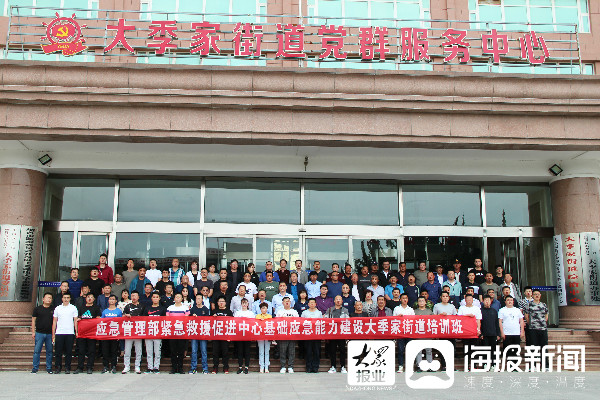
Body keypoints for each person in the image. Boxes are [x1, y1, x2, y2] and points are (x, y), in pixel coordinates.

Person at [52, 291, 78, 374]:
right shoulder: (58, 308)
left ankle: (67, 367)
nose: (66, 299)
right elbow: (54, 321)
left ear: (70, 299)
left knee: (69, 352)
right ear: (62, 299)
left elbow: (75, 321)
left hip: (70, 332)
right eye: (64, 298)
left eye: (68, 298)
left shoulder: (73, 308)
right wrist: (53, 333)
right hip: (59, 332)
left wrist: (76, 331)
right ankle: (58, 367)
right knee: (58, 352)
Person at [74, 292, 100, 374]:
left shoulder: (96, 308)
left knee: (91, 350)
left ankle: (90, 367)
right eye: (88, 297)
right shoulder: (81, 308)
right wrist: (77, 330)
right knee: (81, 350)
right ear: (86, 298)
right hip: (82, 332)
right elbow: (78, 318)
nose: (89, 298)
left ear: (94, 299)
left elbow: (98, 319)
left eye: (91, 297)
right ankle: (80, 367)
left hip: (92, 332)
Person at [165, 293, 190, 374]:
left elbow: (186, 319)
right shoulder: (170, 308)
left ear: (182, 298)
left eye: (179, 297)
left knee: (181, 351)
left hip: (182, 332)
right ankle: (174, 368)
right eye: (176, 297)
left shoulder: (185, 308)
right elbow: (167, 319)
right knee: (173, 351)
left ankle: (180, 368)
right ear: (174, 298)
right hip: (172, 332)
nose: (178, 298)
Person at [325, 295, 349, 374]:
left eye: (340, 299)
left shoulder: (345, 310)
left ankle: (343, 367)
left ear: (342, 301)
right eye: (337, 299)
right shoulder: (329, 310)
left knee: (342, 350)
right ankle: (333, 366)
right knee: (332, 350)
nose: (338, 301)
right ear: (334, 301)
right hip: (332, 333)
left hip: (341, 333)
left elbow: (347, 320)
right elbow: (326, 319)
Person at [31, 292, 54, 374]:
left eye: (50, 298)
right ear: (43, 299)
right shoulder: (37, 309)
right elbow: (33, 321)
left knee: (49, 351)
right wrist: (33, 332)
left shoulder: (54, 309)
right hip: (39, 333)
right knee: (37, 351)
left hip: (49, 334)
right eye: (47, 297)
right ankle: (35, 368)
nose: (49, 299)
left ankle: (49, 368)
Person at [122, 291, 145, 374]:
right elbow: (122, 316)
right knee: (127, 350)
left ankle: (137, 366)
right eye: (132, 296)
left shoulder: (142, 306)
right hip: (129, 330)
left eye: (135, 296)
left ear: (138, 297)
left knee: (138, 350)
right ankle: (126, 366)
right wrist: (125, 316)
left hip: (138, 330)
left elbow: (144, 318)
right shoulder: (127, 306)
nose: (133, 297)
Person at [142, 292, 165, 373]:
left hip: (158, 332)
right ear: (151, 298)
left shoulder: (162, 309)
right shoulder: (147, 308)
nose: (155, 299)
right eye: (154, 297)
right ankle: (149, 367)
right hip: (149, 332)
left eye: (157, 297)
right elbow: (144, 319)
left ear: (159, 298)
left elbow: (165, 321)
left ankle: (156, 367)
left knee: (157, 351)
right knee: (149, 351)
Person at [523, 289, 549, 360]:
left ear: (540, 295)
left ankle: (545, 364)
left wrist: (543, 323)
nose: (537, 295)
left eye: (538, 294)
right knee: (533, 347)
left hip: (543, 328)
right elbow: (526, 316)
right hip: (533, 329)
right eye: (535, 294)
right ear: (532, 296)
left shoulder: (543, 305)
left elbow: (546, 315)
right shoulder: (529, 305)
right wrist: (531, 323)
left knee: (544, 347)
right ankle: (533, 364)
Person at [276, 297, 299, 373]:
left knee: (291, 351)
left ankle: (290, 366)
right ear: (282, 303)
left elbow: (298, 322)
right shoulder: (280, 312)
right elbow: (276, 322)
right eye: (285, 301)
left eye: (288, 301)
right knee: (282, 351)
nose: (287, 302)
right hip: (283, 334)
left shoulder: (294, 312)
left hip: (292, 334)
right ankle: (283, 366)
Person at [458, 294, 482, 366]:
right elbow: (459, 318)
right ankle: (467, 364)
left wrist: (478, 329)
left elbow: (478, 320)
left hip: (474, 331)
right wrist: (468, 315)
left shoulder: (477, 308)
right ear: (465, 300)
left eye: (470, 299)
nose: (469, 301)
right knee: (466, 348)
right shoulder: (462, 308)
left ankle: (474, 364)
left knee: (474, 348)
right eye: (467, 299)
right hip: (465, 331)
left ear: (472, 300)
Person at [393, 293, 414, 373]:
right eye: (403, 298)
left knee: (409, 349)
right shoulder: (396, 309)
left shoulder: (410, 309)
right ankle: (400, 366)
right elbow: (393, 320)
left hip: (409, 332)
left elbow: (414, 321)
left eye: (406, 298)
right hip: (400, 332)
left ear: (408, 300)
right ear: (400, 299)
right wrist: (398, 317)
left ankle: (409, 366)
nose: (404, 300)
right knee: (401, 350)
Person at [189, 293, 210, 374]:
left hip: (203, 332)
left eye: (199, 299)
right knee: (194, 351)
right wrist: (192, 317)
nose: (198, 300)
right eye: (196, 299)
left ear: (202, 300)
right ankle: (193, 368)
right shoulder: (192, 309)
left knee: (203, 350)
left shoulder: (206, 309)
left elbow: (208, 321)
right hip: (194, 332)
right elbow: (188, 320)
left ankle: (205, 368)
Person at [101, 295, 122, 373]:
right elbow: (101, 322)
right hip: (106, 334)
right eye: (110, 299)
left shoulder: (118, 311)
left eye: (113, 299)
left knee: (114, 350)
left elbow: (121, 322)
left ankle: (113, 366)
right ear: (108, 301)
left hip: (115, 333)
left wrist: (119, 333)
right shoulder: (105, 311)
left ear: (116, 301)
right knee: (105, 351)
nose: (111, 301)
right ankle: (105, 366)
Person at [211, 297, 233, 374]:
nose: (221, 303)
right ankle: (215, 367)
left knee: (225, 352)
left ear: (225, 303)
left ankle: (226, 367)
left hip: (225, 335)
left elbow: (232, 323)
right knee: (215, 352)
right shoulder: (214, 311)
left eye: (222, 301)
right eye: (219, 301)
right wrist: (213, 318)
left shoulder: (229, 312)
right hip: (216, 334)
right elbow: (209, 322)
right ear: (217, 303)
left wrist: (230, 336)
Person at [233, 298, 254, 374]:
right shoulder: (237, 313)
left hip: (248, 334)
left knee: (247, 351)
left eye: (245, 303)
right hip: (239, 334)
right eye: (243, 303)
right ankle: (240, 367)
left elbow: (253, 323)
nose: (244, 304)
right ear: (241, 304)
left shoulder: (250, 313)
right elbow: (235, 323)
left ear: (248, 304)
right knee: (240, 351)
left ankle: (247, 367)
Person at [480, 295, 500, 371]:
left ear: (491, 301)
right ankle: (485, 364)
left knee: (493, 351)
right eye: (485, 300)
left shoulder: (494, 311)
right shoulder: (480, 311)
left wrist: (498, 334)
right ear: (483, 301)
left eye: (488, 300)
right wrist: (481, 333)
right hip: (484, 334)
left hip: (493, 334)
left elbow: (496, 323)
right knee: (485, 350)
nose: (487, 302)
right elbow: (479, 323)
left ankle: (493, 364)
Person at [301, 298, 322, 373]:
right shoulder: (304, 313)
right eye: (310, 302)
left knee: (316, 351)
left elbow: (321, 323)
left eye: (313, 302)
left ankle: (315, 367)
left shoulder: (319, 313)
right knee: (308, 351)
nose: (312, 304)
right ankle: (308, 367)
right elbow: (301, 323)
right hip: (307, 335)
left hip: (317, 334)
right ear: (308, 304)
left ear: (316, 304)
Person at [256, 302, 273, 373]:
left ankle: (266, 367)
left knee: (267, 351)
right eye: (262, 308)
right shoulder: (257, 316)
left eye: (265, 308)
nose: (264, 309)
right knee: (261, 351)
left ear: (267, 309)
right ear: (260, 309)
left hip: (267, 335)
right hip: (260, 335)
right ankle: (261, 366)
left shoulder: (269, 316)